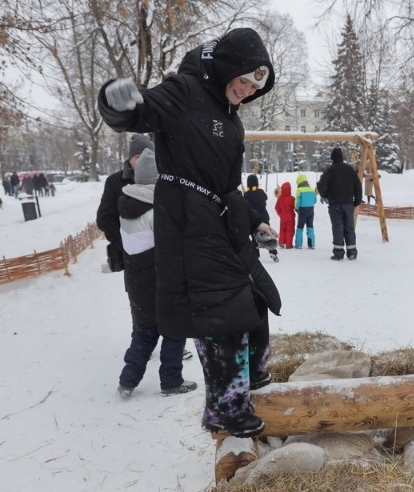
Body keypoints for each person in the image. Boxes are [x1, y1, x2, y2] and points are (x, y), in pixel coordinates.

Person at [98, 27, 280, 438]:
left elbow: (228, 184)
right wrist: (118, 100)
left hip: (224, 221)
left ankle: (249, 376)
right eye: (244, 81)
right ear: (229, 69)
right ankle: (226, 408)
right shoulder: (186, 91)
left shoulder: (231, 119)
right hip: (187, 225)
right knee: (221, 314)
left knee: (257, 296)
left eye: (255, 86)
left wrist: (255, 221)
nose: (248, 91)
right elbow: (141, 111)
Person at [112, 148, 197, 398]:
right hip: (162, 280)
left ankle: (127, 382)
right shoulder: (157, 209)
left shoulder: (125, 204)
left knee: (144, 334)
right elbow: (171, 246)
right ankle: (171, 382)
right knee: (174, 330)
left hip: (138, 282)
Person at [317, 147, 362, 260]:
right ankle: (352, 252)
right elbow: (358, 186)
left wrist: (326, 195)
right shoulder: (350, 169)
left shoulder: (330, 170)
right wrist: (357, 201)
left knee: (338, 227)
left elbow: (321, 185)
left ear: (332, 158)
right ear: (342, 157)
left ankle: (338, 252)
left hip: (335, 204)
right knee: (349, 227)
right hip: (348, 203)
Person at [244, 173, 278, 262]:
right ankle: (273, 252)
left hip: (254, 220)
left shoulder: (247, 195)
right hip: (264, 218)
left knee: (255, 237)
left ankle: (255, 255)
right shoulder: (261, 192)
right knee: (268, 236)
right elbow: (265, 197)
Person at [294, 173, 317, 249]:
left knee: (300, 227)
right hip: (311, 210)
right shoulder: (311, 189)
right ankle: (311, 244)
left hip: (303, 210)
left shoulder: (299, 190)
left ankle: (299, 244)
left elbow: (297, 201)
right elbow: (315, 200)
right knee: (310, 227)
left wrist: (296, 208)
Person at [274, 181, 296, 249]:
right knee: (290, 230)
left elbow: (276, 207)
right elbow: (295, 206)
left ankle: (281, 242)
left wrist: (280, 214)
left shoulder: (280, 199)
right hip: (290, 218)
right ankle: (288, 244)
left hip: (283, 218)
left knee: (282, 230)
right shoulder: (292, 198)